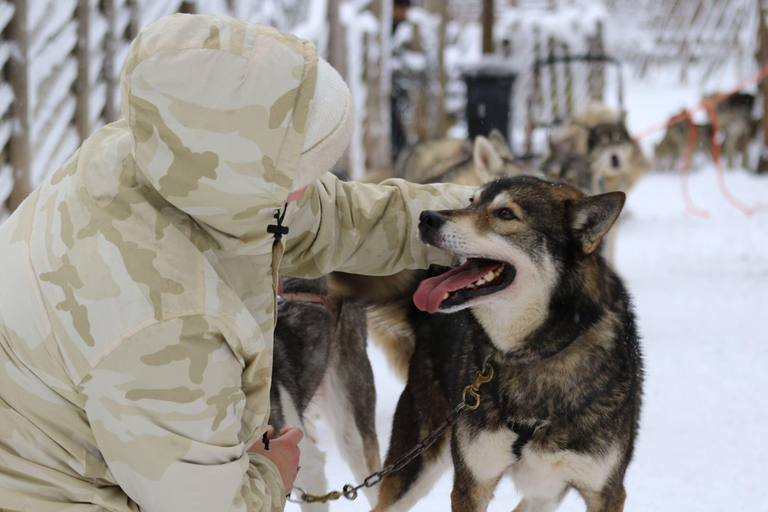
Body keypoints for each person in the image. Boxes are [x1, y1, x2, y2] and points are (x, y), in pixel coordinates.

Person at [0, 13, 472, 512]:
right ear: (252, 178)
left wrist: (483, 217)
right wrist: (272, 474)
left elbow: (341, 217)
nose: (315, 179)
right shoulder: (163, 320)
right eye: (303, 165)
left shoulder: (166, 159)